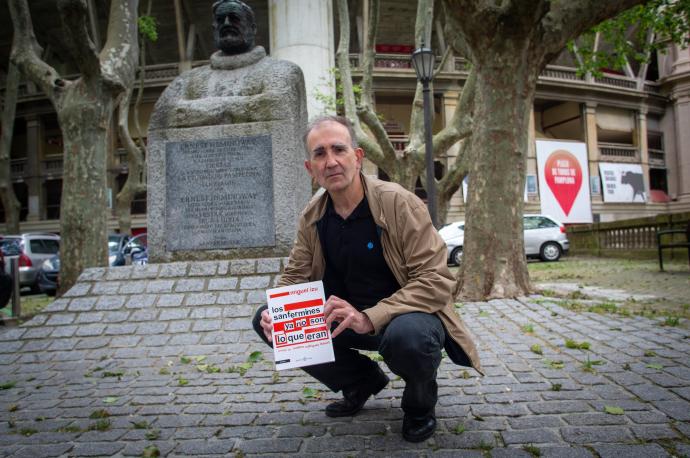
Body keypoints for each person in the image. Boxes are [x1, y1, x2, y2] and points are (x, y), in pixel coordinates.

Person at [252, 116, 482, 442]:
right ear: (310, 168)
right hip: (343, 320)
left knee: (410, 338)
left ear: (357, 157)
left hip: (403, 318)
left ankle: (419, 404)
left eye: (338, 150)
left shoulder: (398, 202)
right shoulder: (312, 216)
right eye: (319, 154)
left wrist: (368, 317)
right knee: (268, 321)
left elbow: (435, 280)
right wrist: (278, 308)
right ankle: (360, 381)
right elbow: (295, 274)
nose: (330, 161)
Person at [148, 0, 306, 130]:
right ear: (214, 29)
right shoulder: (187, 80)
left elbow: (275, 106)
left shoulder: (281, 71)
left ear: (253, 28)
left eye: (234, 18)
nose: (226, 23)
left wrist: (206, 108)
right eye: (220, 20)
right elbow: (164, 114)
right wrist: (237, 108)